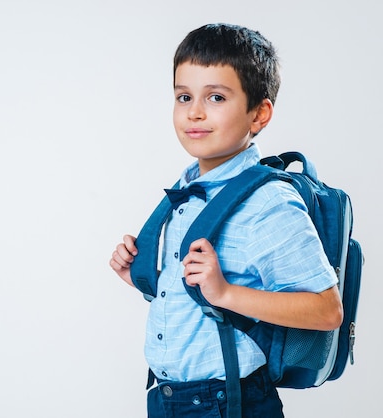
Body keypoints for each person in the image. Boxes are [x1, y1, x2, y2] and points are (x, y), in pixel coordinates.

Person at [109, 23, 343, 418]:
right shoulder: (186, 190)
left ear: (259, 114)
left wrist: (225, 293)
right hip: (168, 399)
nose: (195, 112)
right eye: (184, 96)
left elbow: (326, 310)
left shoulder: (268, 200)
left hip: (228, 403)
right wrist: (141, 277)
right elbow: (196, 297)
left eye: (216, 96)